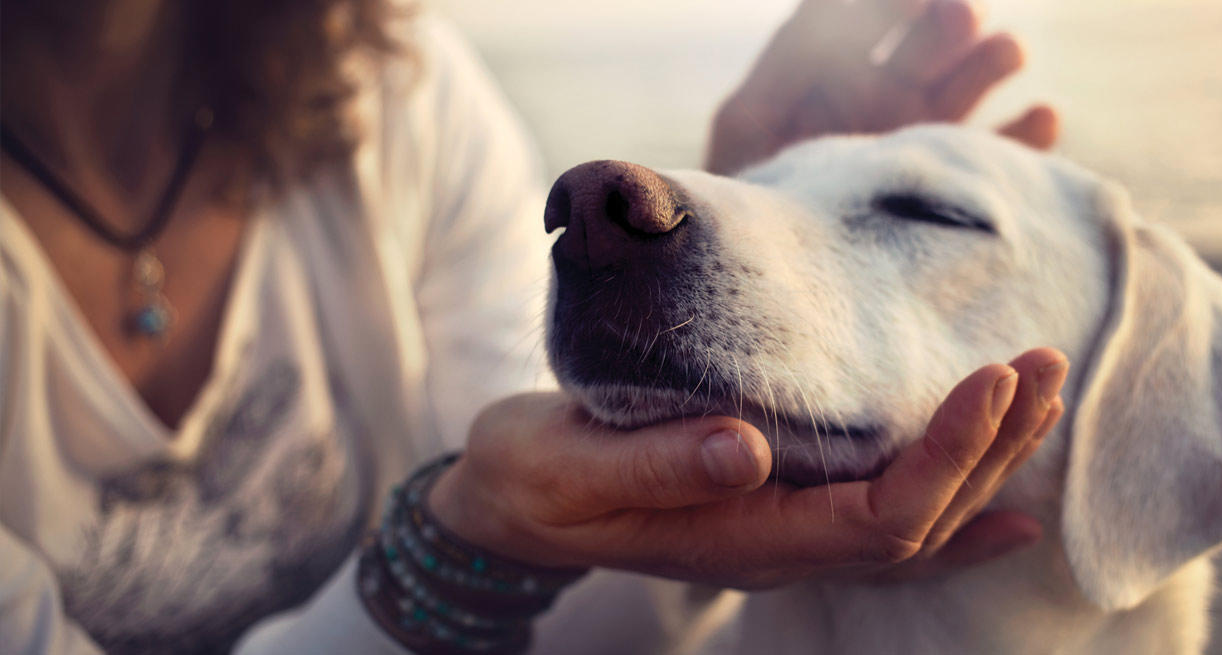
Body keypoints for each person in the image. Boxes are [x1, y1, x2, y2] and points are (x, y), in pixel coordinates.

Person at [0, 0, 1065, 653]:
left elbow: (577, 624)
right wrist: (453, 541)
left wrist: (756, 261)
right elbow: (506, 532)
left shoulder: (387, 94)